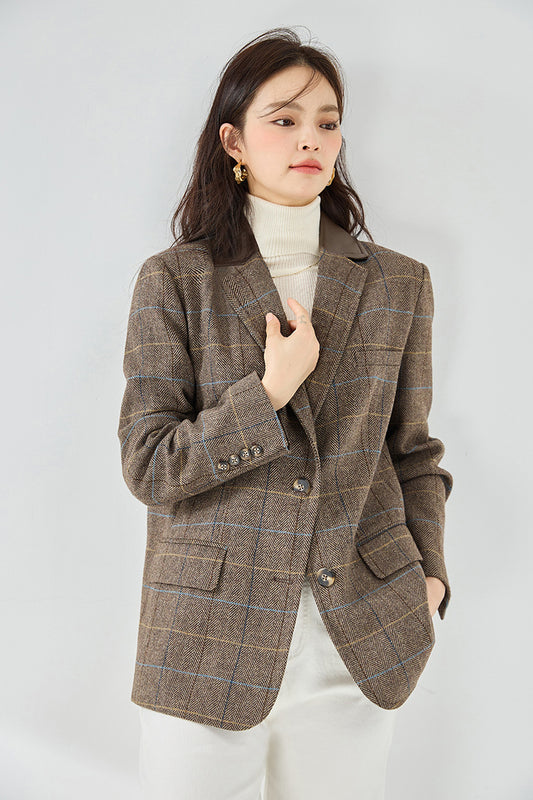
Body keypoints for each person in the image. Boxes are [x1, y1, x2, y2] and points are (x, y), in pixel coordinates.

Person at [117, 26, 453, 800]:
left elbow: (412, 453)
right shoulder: (176, 279)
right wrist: (265, 395)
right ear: (233, 140)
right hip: (203, 641)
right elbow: (149, 464)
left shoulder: (399, 283)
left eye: (326, 122)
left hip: (358, 636)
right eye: (284, 119)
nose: (310, 139)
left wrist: (429, 579)